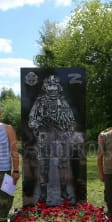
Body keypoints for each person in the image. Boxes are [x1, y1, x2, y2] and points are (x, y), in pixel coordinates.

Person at [28, 75, 76, 204]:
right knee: (43, 165)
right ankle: (43, 194)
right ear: (46, 87)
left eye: (55, 85)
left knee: (63, 165)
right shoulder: (40, 102)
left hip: (60, 137)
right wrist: (37, 126)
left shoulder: (63, 102)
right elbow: (31, 119)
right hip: (45, 136)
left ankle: (64, 192)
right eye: (50, 85)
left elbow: (71, 120)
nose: (52, 88)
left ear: (58, 87)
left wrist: (68, 133)